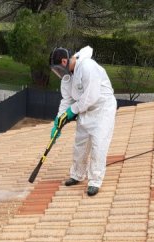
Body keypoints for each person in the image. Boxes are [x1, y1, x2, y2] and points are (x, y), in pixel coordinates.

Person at [49, 46, 117, 196]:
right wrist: (58, 122)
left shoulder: (87, 67)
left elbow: (91, 97)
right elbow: (67, 100)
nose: (58, 73)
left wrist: (72, 111)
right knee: (80, 144)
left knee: (98, 145)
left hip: (102, 109)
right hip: (84, 110)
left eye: (58, 69)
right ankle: (77, 174)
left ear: (65, 61)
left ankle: (95, 181)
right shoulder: (67, 78)